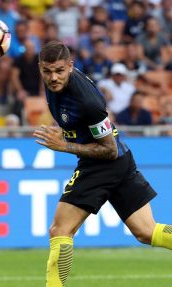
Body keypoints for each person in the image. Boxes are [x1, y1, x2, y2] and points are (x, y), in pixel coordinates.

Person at [34, 41, 172, 287]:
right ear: (40, 68)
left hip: (104, 162)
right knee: (147, 231)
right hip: (120, 161)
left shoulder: (88, 102)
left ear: (70, 66)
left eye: (59, 71)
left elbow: (109, 150)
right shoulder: (56, 84)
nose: (53, 77)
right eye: (47, 71)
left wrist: (64, 145)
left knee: (60, 230)